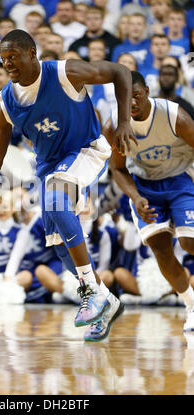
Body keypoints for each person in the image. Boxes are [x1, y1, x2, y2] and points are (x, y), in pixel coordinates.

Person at [0, 29, 135, 342]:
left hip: (86, 149)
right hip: (48, 167)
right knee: (59, 246)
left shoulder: (64, 72)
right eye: (3, 59)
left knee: (59, 202)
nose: (7, 64)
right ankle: (106, 300)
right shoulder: (5, 101)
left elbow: (120, 72)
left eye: (13, 57)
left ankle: (92, 293)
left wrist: (124, 121)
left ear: (32, 53)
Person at [103, 70, 194, 332]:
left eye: (136, 96)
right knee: (161, 249)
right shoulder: (113, 125)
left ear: (147, 93)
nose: (131, 103)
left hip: (180, 178)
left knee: (189, 242)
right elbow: (117, 169)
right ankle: (191, 305)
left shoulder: (174, 114)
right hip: (144, 186)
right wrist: (136, 197)